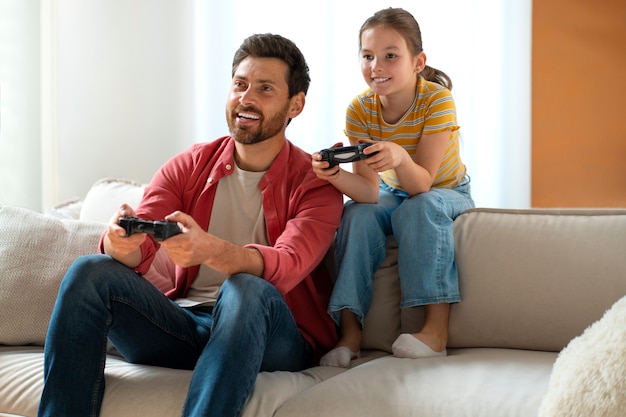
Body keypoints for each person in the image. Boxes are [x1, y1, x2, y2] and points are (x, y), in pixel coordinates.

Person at [38, 33, 343, 417]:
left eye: (265, 89)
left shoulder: (316, 183)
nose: (246, 99)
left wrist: (211, 249)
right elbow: (141, 246)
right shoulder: (190, 165)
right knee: (91, 270)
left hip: (271, 333)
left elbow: (287, 266)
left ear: (295, 104)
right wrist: (121, 246)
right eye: (240, 84)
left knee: (246, 288)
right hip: (185, 325)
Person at [312, 7, 475, 368]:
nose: (376, 66)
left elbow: (424, 185)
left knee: (421, 207)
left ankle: (436, 331)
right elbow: (369, 193)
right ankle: (350, 335)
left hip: (445, 192)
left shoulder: (437, 101)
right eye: (368, 56)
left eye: (390, 56)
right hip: (394, 193)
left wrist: (400, 157)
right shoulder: (359, 110)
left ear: (418, 62)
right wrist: (334, 175)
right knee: (356, 214)